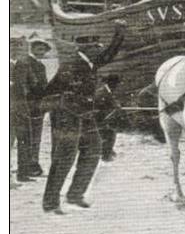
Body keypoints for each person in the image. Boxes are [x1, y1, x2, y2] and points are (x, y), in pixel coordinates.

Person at [41, 22, 126, 214]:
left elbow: (108, 55)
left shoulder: (89, 63)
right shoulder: (71, 65)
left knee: (94, 150)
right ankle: (51, 202)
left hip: (83, 115)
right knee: (64, 158)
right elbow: (55, 93)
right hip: (67, 115)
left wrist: (120, 33)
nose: (100, 50)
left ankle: (75, 194)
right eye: (96, 47)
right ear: (85, 48)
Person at [12, 38, 52, 181]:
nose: (41, 52)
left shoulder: (34, 65)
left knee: (31, 139)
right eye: (38, 49)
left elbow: (39, 85)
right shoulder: (26, 62)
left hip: (32, 108)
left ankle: (29, 168)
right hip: (25, 107)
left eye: (43, 50)